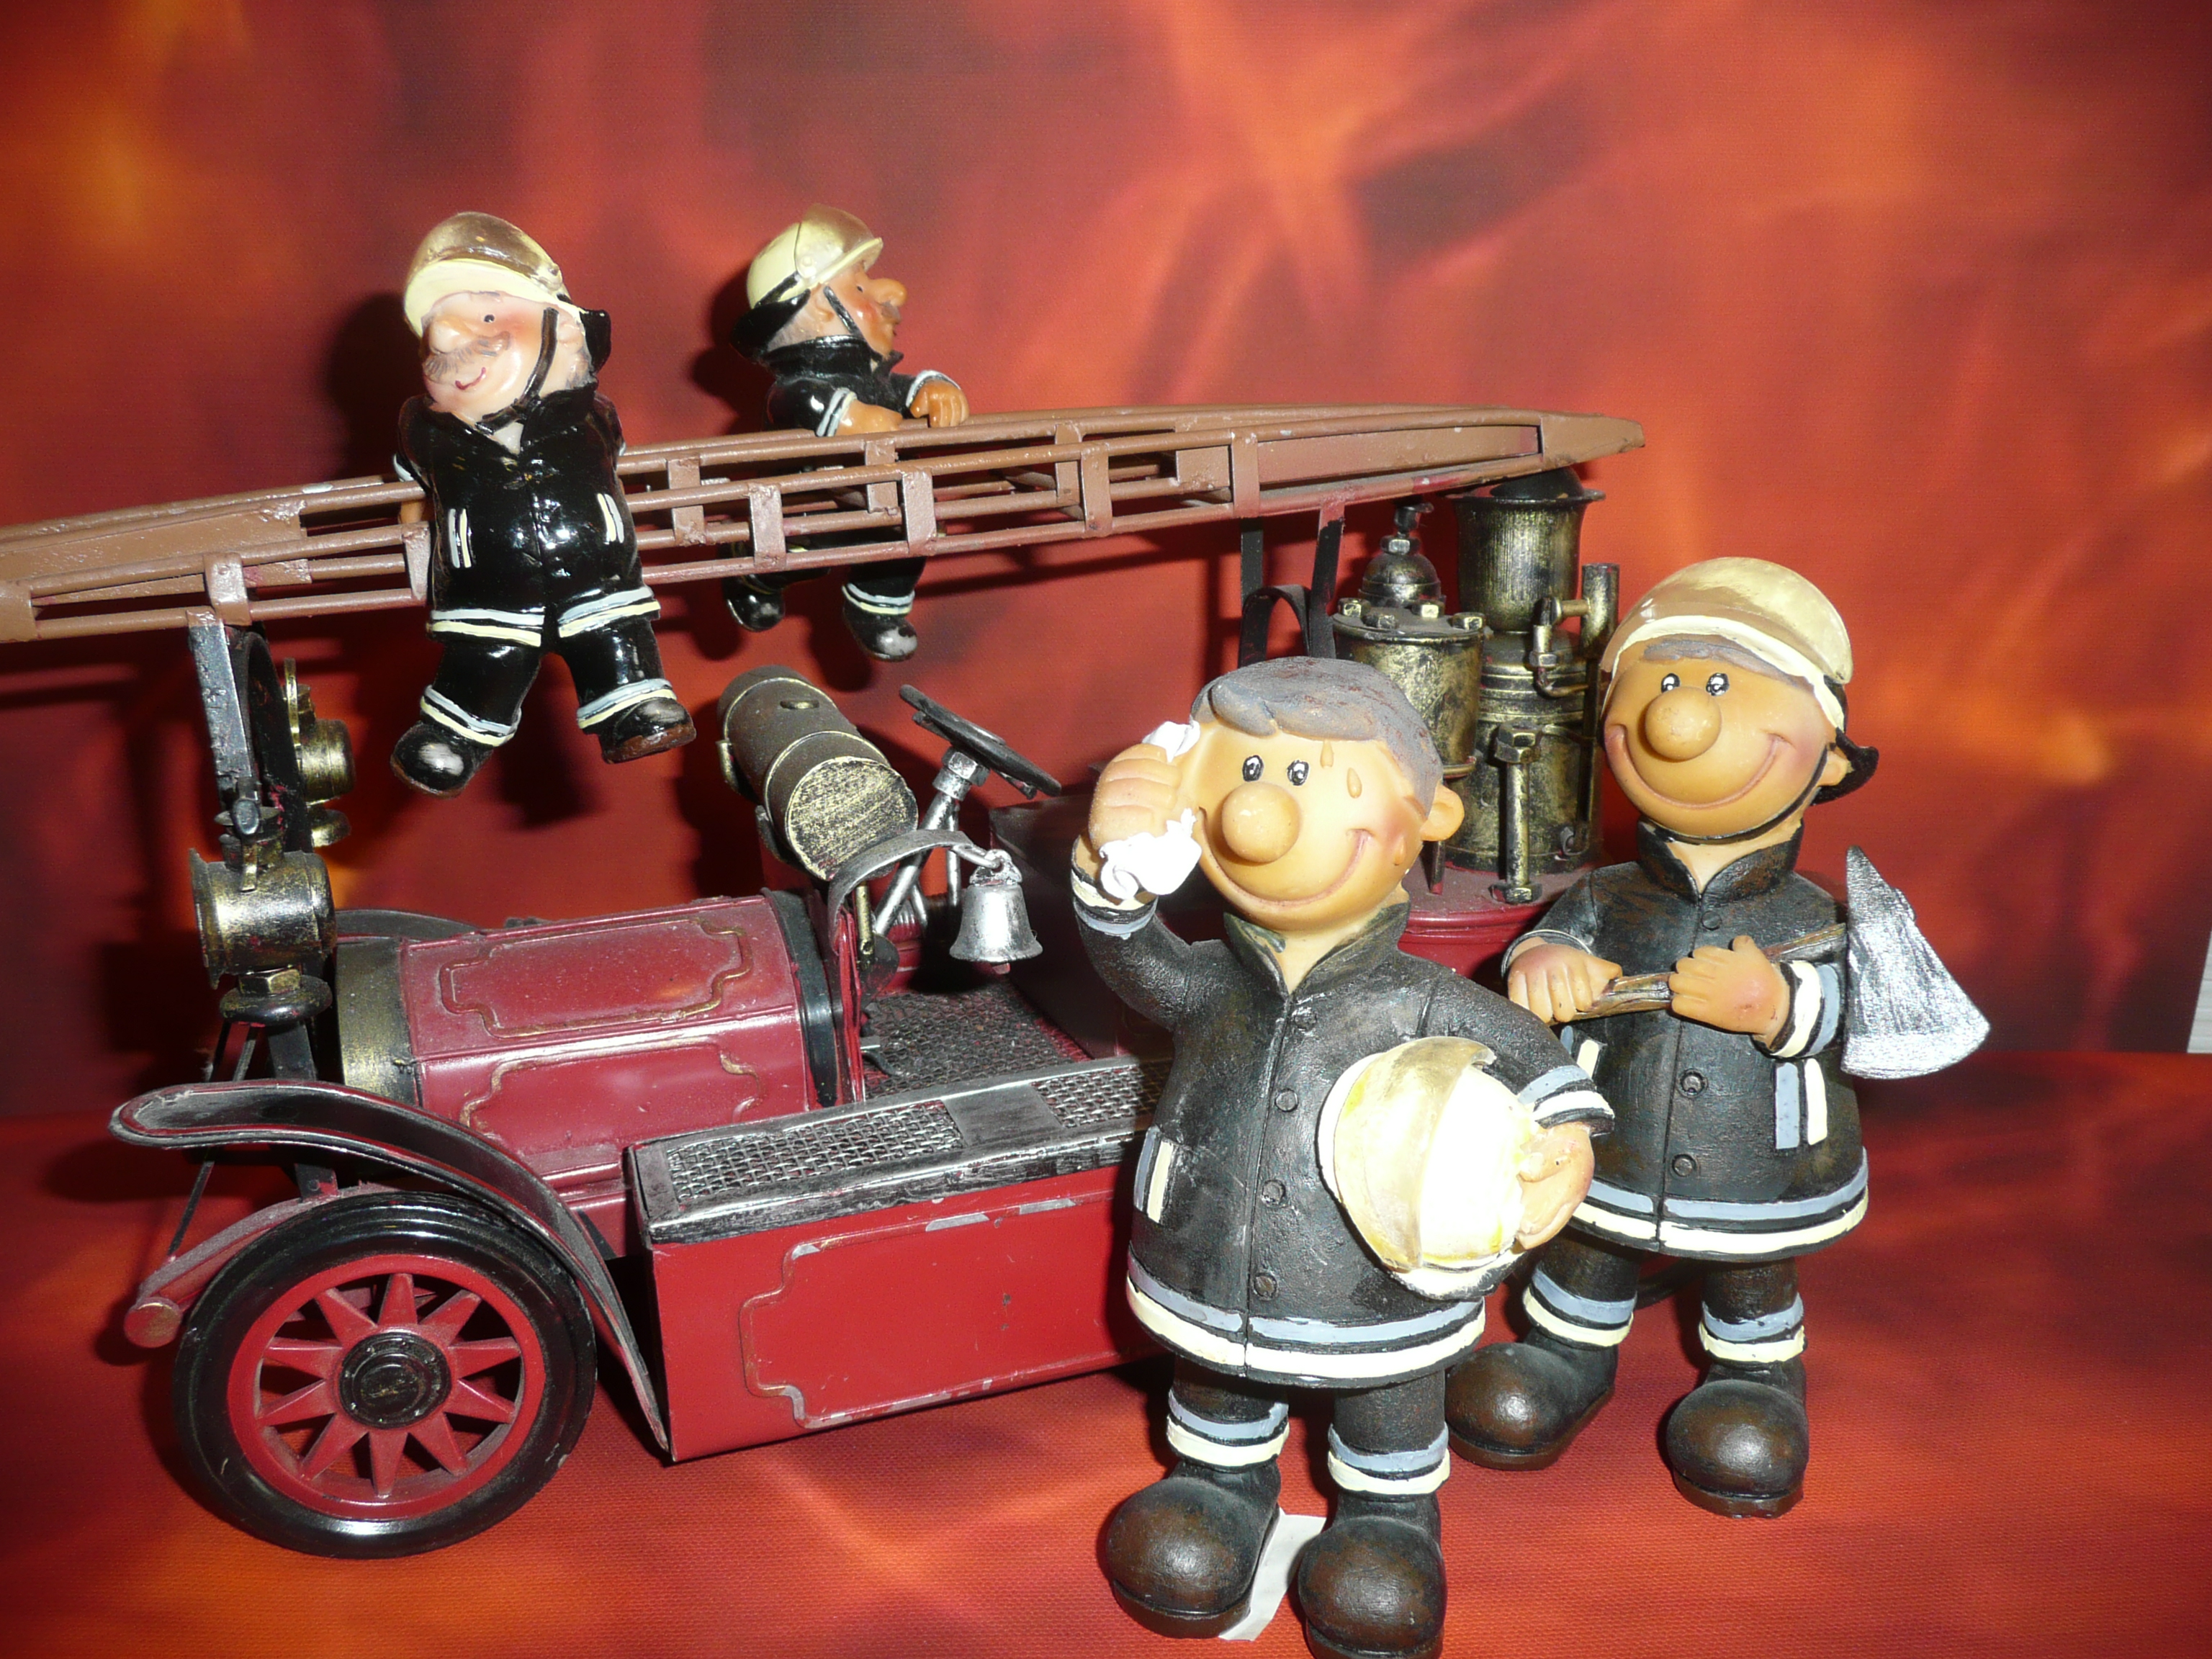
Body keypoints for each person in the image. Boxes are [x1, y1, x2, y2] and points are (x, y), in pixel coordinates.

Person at [1073, 655, 1609, 1659]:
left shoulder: (1425, 998)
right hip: (1210, 1272)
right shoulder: (1209, 981)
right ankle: (1219, 1485)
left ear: (1427, 820)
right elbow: (1128, 956)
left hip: (1382, 1293)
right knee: (1216, 1397)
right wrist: (1115, 870)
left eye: (1306, 778)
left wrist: (1566, 1143)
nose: (1259, 816)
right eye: (1246, 772)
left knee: (1389, 1413)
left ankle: (1389, 1517)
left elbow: (1536, 1062)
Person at [1447, 557, 1979, 1517]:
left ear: (1829, 759)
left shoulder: (1817, 916)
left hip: (1760, 1164)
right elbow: (1544, 947)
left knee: (1751, 1278)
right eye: (1663, 680)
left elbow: (1867, 1018)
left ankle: (1756, 1377)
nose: (1679, 717)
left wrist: (1778, 1007)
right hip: (1604, 1153)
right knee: (1584, 1252)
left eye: (1723, 684)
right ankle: (1566, 1355)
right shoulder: (1605, 895)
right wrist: (1541, 964)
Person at [390, 212, 693, 796]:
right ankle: (455, 734)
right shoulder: (426, 430)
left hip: (598, 570)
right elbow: (412, 495)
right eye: (433, 334)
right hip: (486, 583)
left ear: (565, 328)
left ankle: (635, 706)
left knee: (615, 636)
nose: (446, 340)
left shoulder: (594, 416)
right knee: (486, 657)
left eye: (485, 316)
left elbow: (618, 468)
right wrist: (420, 541)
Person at [721, 206, 968, 662]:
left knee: (910, 534)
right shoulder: (795, 389)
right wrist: (846, 416)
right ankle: (750, 571)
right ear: (821, 306)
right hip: (807, 508)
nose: (893, 293)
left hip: (882, 505)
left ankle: (878, 611)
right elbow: (793, 401)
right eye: (859, 286)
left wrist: (931, 387)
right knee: (797, 555)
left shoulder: (874, 380)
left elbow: (896, 391)